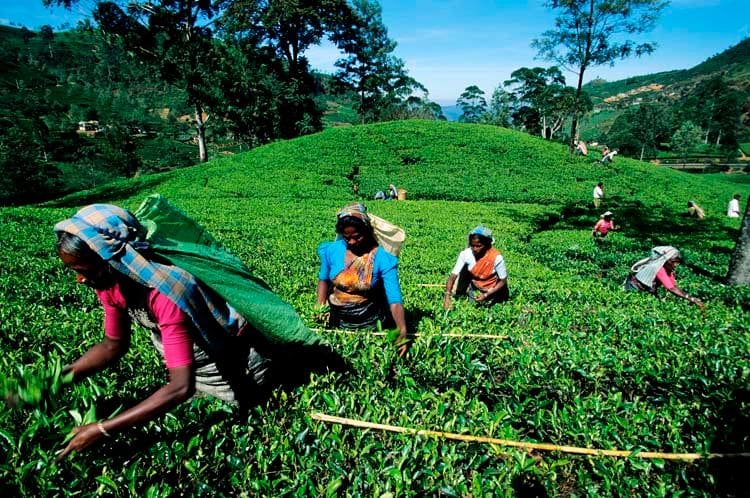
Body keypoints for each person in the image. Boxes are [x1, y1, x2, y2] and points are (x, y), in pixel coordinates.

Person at [53, 200, 330, 459]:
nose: (79, 279)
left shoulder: (166, 292)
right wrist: (55, 380)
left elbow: (180, 387)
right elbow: (113, 345)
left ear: (109, 259)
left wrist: (103, 429)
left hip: (231, 375)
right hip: (189, 370)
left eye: (85, 270)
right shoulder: (110, 283)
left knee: (227, 433)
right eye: (74, 270)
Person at [316, 203, 409, 356]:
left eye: (356, 237)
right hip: (337, 319)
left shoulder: (381, 258)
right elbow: (324, 280)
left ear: (366, 231)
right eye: (347, 238)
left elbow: (394, 299)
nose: (352, 242)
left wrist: (402, 329)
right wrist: (319, 307)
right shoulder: (332, 250)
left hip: (370, 321)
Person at [443, 226, 509, 309]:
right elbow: (452, 276)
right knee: (473, 306)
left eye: (478, 246)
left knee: (493, 308)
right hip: (476, 284)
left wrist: (486, 294)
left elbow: (503, 281)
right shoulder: (466, 254)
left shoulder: (496, 257)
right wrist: (447, 297)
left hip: (493, 288)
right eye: (472, 245)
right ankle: (464, 290)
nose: (475, 249)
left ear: (487, 244)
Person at [623, 246, 705, 308]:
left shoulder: (668, 269)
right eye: (674, 262)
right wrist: (692, 299)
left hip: (647, 289)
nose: (676, 265)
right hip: (634, 288)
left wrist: (690, 298)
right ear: (667, 260)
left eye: (677, 263)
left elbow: (673, 286)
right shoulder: (659, 268)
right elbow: (671, 288)